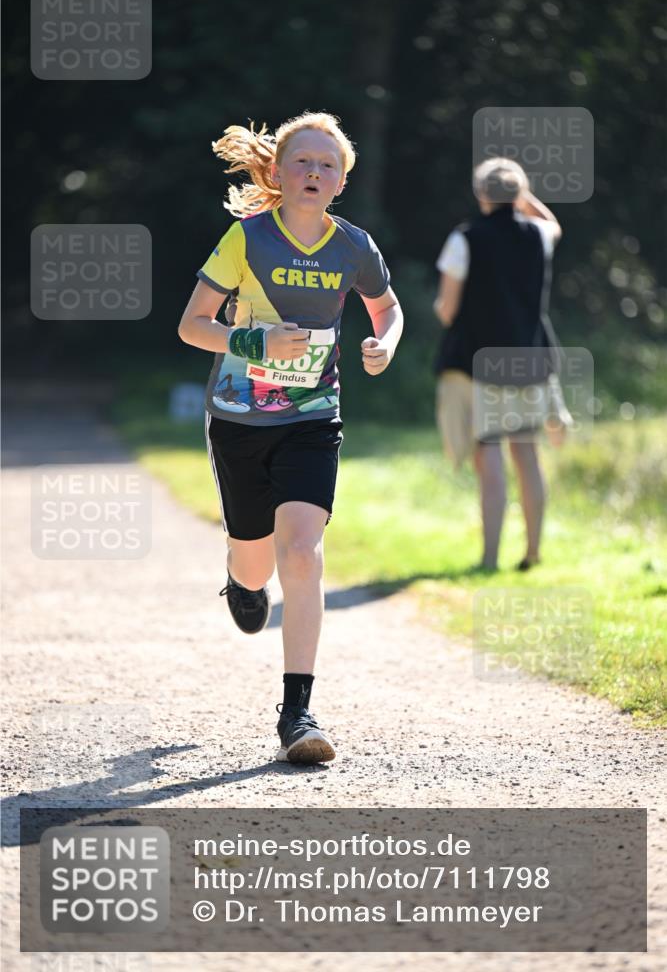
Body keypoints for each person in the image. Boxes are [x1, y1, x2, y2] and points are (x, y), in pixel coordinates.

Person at [178, 112, 403, 764]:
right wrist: (256, 341)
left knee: (301, 551)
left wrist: (382, 344)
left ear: (340, 182)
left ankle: (297, 714)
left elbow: (386, 309)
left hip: (312, 417)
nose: (313, 172)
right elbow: (193, 325)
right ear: (277, 172)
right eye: (301, 162)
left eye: (326, 165)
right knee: (256, 562)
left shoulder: (353, 247)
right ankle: (240, 579)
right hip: (238, 419)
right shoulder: (246, 239)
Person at [433, 157, 563, 572]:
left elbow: (448, 311)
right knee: (526, 454)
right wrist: (523, 197)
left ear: (480, 194)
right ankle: (534, 551)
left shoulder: (464, 238)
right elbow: (554, 224)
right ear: (519, 194)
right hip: (527, 359)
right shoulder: (538, 235)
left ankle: (489, 558)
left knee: (488, 455)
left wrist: (441, 307)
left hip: (477, 362)